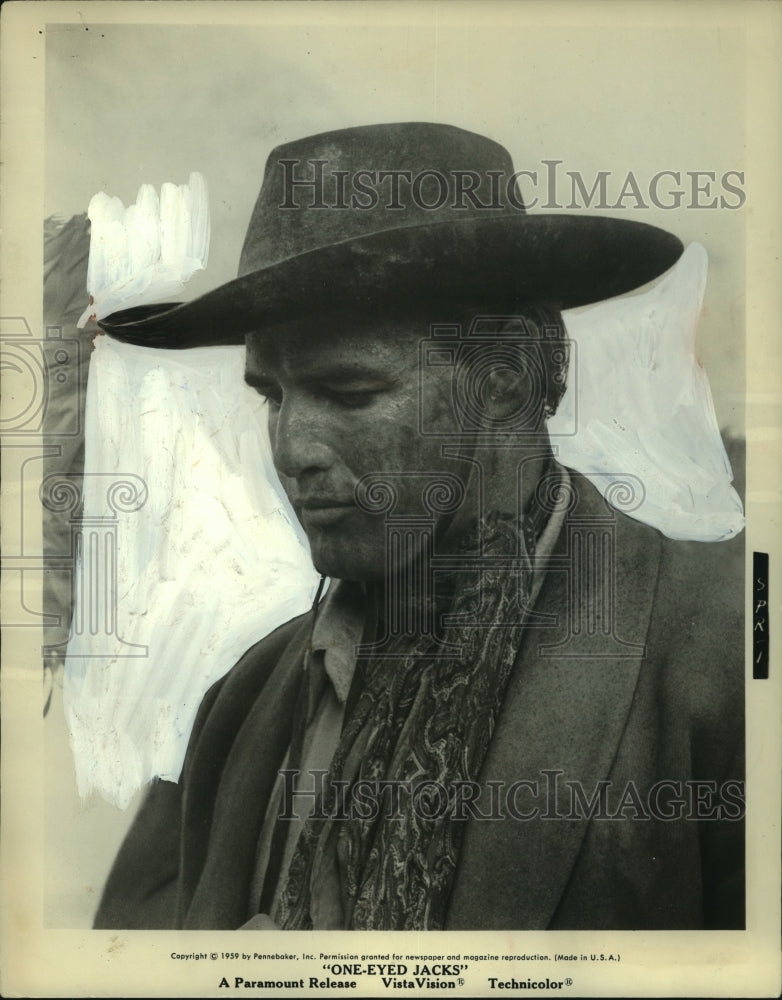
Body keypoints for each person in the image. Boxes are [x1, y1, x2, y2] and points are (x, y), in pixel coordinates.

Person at [92, 122, 744, 930]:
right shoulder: (246, 699)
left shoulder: (725, 648)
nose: (293, 450)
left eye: (351, 391)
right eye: (273, 396)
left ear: (502, 377)